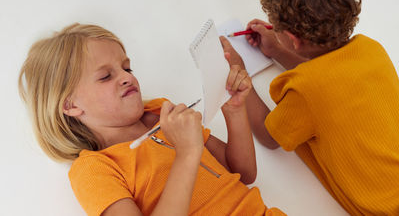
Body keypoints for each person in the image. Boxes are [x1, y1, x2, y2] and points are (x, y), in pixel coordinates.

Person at [18, 23, 285, 216]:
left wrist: (235, 111)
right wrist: (188, 152)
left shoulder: (161, 113)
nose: (126, 77)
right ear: (70, 105)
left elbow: (244, 174)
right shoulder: (94, 168)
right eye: (105, 76)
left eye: (126, 67)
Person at [220, 0, 399, 215]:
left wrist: (238, 69)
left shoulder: (305, 93)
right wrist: (279, 52)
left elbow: (269, 135)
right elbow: (331, 78)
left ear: (293, 38)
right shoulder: (372, 49)